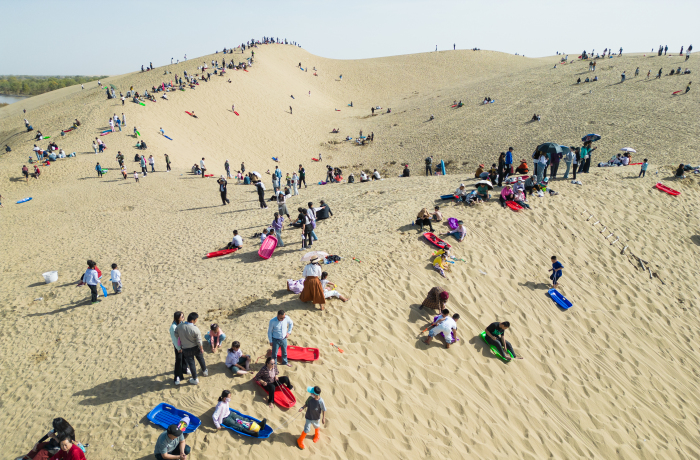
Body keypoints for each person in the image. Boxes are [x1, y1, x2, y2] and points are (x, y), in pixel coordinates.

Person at [175, 312, 208, 384]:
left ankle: (195, 378)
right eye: (196, 319)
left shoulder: (180, 326)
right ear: (193, 320)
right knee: (200, 358)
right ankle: (205, 371)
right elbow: (199, 341)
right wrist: (201, 348)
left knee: (191, 363)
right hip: (195, 347)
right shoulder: (195, 329)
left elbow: (176, 334)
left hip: (186, 348)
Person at [170, 311, 191, 386]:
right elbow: (174, 339)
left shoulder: (182, 323)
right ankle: (177, 376)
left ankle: (185, 369)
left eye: (183, 316)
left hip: (184, 344)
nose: (183, 317)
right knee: (179, 360)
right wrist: (179, 348)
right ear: (177, 317)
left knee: (185, 357)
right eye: (182, 316)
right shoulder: (173, 327)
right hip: (178, 346)